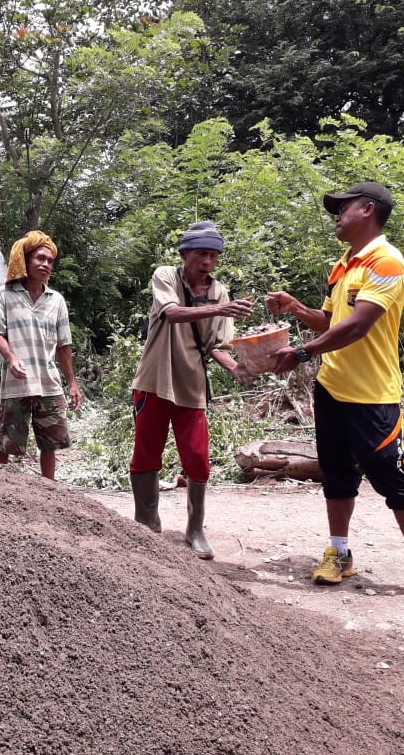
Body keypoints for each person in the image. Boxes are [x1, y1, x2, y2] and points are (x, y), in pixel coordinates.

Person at [265, 181, 404, 608]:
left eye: (342, 209)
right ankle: (339, 553)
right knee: (336, 475)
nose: (336, 216)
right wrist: (295, 308)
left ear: (367, 210)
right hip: (332, 389)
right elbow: (330, 322)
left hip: (373, 395)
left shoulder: (387, 261)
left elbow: (358, 325)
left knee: (395, 479)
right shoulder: (344, 264)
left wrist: (301, 353)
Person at [129, 221, 253, 558]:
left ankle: (195, 528)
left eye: (213, 255)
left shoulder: (220, 292)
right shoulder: (166, 276)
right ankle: (146, 521)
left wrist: (237, 368)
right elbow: (172, 314)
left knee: (197, 458)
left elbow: (217, 345)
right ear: (185, 254)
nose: (207, 261)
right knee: (146, 452)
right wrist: (219, 308)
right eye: (201, 253)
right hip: (154, 380)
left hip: (191, 384)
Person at [0, 230, 82, 480]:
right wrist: (11, 358)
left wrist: (72, 382)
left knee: (51, 444)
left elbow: (63, 344)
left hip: (48, 383)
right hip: (15, 384)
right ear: (25, 261)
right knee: (6, 443)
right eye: (40, 258)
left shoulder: (56, 300)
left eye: (50, 261)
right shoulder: (5, 295)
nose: (46, 264)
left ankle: (48, 493)